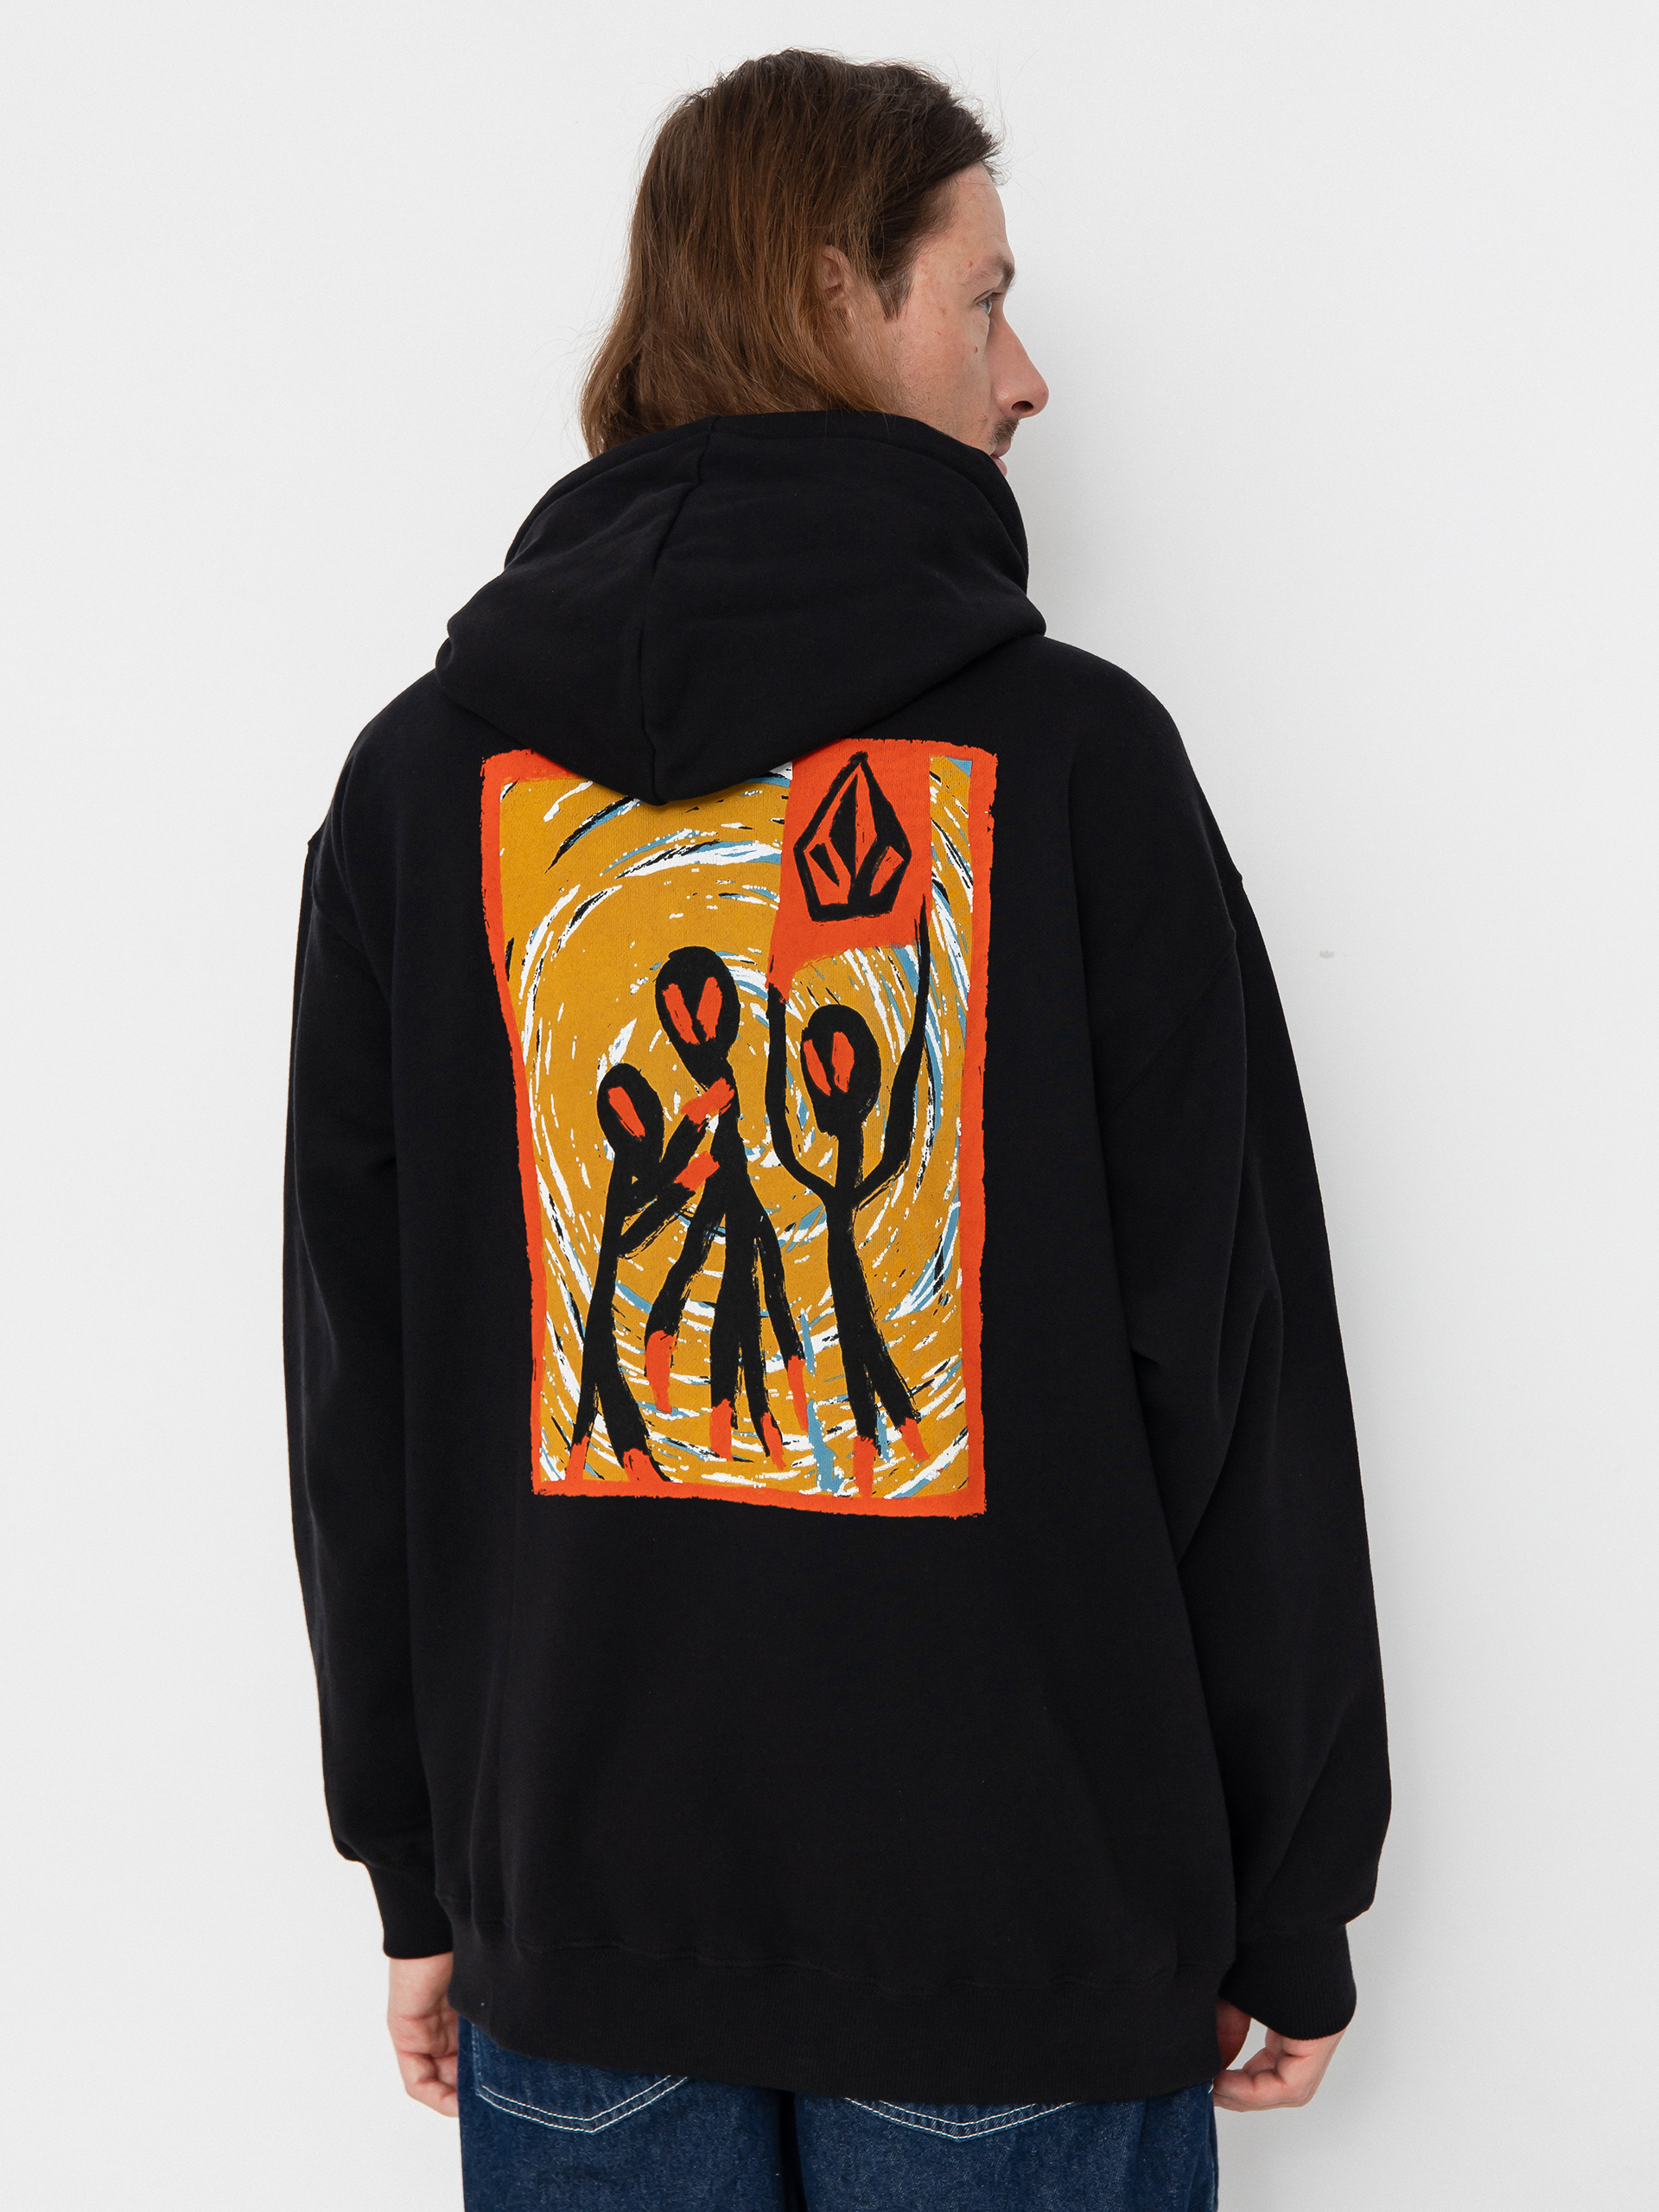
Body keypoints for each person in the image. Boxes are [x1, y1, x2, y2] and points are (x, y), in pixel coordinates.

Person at [285, 48, 1389, 2212]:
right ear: (831, 293)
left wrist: (421, 1862)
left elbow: (363, 1389)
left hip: (578, 1924)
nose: (1029, 372)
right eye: (984, 299)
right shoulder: (1075, 767)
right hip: (1022, 1925)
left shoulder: (424, 789)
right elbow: (1234, 1364)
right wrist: (1294, 1882)